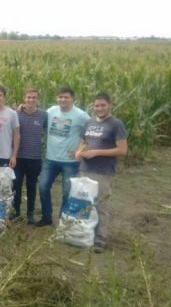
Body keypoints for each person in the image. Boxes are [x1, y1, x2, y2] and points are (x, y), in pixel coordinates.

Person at [76, 93, 127, 253]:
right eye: (97, 106)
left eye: (103, 105)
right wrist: (79, 151)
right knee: (85, 204)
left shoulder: (116, 124)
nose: (100, 108)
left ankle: (101, 239)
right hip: (85, 169)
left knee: (102, 206)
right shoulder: (89, 122)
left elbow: (122, 150)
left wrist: (97, 152)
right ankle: (85, 235)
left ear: (110, 105)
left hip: (103, 172)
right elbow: (83, 142)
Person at [35, 86, 90, 227]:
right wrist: (22, 107)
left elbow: (91, 133)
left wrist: (81, 149)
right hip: (50, 158)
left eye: (66, 97)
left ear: (73, 98)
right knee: (42, 187)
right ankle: (47, 217)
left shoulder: (81, 115)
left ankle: (62, 220)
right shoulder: (51, 111)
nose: (63, 100)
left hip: (70, 161)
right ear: (56, 98)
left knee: (67, 192)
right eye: (60, 97)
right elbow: (36, 115)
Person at [13, 89, 48, 224]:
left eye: (34, 98)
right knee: (16, 185)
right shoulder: (17, 114)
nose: (31, 100)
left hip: (35, 158)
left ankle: (30, 214)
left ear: (37, 99)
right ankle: (15, 212)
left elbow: (49, 131)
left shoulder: (43, 115)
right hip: (19, 157)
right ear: (24, 98)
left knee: (31, 186)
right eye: (28, 97)